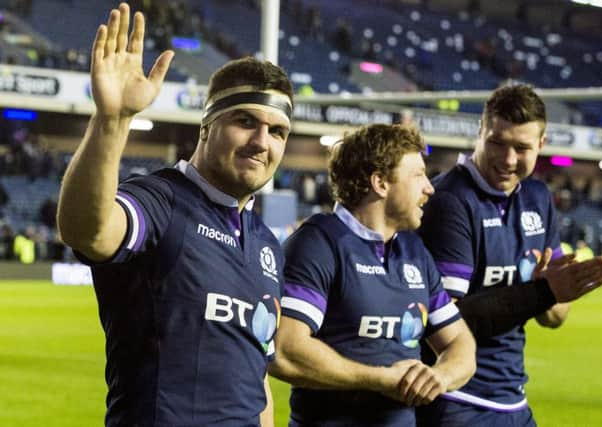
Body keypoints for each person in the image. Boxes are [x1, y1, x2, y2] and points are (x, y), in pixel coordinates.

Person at [56, 3, 293, 426]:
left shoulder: (266, 245)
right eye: (245, 121)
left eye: (277, 132)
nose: (262, 141)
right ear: (205, 127)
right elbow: (87, 230)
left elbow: (255, 376)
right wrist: (113, 120)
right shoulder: (161, 201)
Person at [416, 84, 602, 426]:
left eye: (521, 148)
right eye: (497, 142)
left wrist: (553, 290)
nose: (508, 160)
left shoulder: (537, 197)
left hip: (513, 400)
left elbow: (554, 317)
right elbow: (447, 320)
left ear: (542, 145)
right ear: (479, 132)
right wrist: (539, 292)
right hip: (456, 397)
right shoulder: (451, 201)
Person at [269, 124, 476, 426]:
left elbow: (460, 343)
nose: (430, 188)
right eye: (418, 174)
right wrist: (379, 379)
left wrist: (438, 377)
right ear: (380, 182)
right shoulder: (318, 243)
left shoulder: (414, 252)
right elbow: (285, 349)